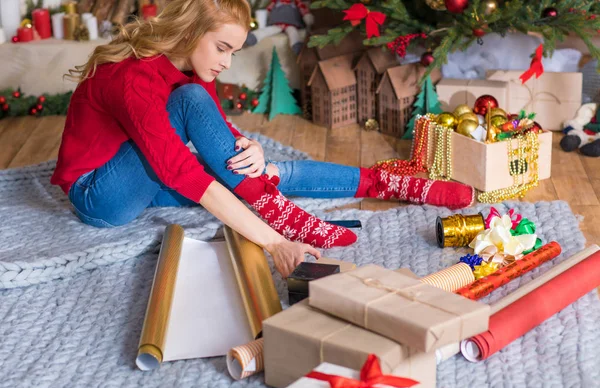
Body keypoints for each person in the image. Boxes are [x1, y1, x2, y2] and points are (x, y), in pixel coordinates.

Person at [51, 0, 474, 279]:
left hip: (144, 172)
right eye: (221, 48)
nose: (226, 62)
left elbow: (212, 123)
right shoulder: (133, 78)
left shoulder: (190, 68)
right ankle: (276, 212)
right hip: (99, 194)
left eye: (233, 51)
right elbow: (178, 169)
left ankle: (384, 182)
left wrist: (245, 145)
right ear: (188, 31)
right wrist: (273, 241)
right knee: (200, 118)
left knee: (258, 169)